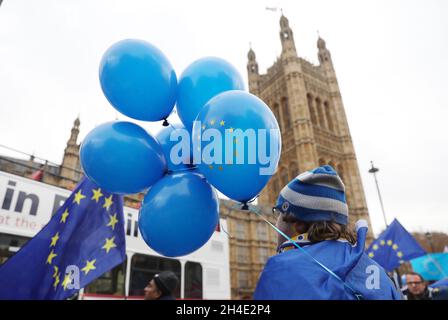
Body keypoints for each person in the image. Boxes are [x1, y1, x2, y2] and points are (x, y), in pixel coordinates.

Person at [254, 165, 401, 300]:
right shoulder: (381, 274)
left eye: (278, 213)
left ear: (296, 222)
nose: (276, 221)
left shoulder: (282, 269)